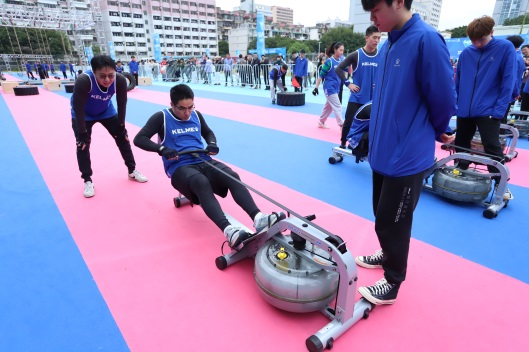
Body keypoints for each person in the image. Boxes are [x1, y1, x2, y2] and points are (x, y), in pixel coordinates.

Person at [355, 0, 457, 305]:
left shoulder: (426, 39)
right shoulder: (388, 45)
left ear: (398, 2)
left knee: (393, 221)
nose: (372, 18)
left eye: (376, 10)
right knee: (380, 214)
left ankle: (393, 280)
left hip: (408, 153)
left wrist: (439, 128)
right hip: (383, 150)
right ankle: (387, 253)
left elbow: (443, 96)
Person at [133, 84, 279, 249]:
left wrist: (212, 144)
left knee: (233, 177)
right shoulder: (161, 117)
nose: (187, 113)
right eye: (182, 109)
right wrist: (162, 149)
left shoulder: (196, 115)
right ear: (172, 105)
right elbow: (139, 139)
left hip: (203, 160)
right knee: (201, 183)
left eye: (190, 107)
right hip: (179, 166)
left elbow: (209, 133)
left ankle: (258, 217)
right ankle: (229, 231)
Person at [454, 16, 516, 200]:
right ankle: (460, 171)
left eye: (481, 39)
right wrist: (457, 104)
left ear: (492, 33)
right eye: (473, 40)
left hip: (489, 109)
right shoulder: (466, 53)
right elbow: (458, 81)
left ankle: (501, 184)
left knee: (491, 146)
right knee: (461, 143)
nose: (477, 43)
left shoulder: (505, 49)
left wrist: (498, 111)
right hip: (465, 108)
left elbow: (508, 82)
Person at [70, 55, 147, 198]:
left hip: (106, 111)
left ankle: (132, 170)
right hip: (83, 114)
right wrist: (82, 133)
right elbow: (78, 108)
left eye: (110, 75)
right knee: (83, 145)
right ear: (94, 72)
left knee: (123, 137)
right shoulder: (84, 81)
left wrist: (122, 125)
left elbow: (122, 102)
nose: (107, 80)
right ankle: (87, 180)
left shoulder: (119, 80)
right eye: (102, 76)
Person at [336, 25, 381, 148]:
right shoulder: (356, 54)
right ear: (367, 38)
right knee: (349, 122)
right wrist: (348, 83)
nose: (377, 40)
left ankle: (361, 145)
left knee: (372, 124)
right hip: (357, 97)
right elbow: (339, 69)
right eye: (374, 37)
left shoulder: (381, 55)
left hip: (373, 99)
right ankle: (342, 144)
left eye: (379, 38)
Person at [312, 42, 346, 129]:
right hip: (329, 87)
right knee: (337, 105)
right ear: (335, 50)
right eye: (340, 50)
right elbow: (321, 75)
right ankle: (342, 125)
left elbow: (348, 70)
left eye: (343, 50)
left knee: (329, 107)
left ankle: (321, 121)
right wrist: (316, 87)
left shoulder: (341, 61)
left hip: (336, 87)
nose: (342, 52)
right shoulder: (329, 62)